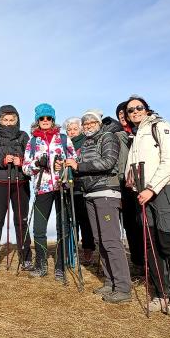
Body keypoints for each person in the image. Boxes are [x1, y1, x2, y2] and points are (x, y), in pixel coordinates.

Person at [124, 95, 170, 315]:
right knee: (151, 244)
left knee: (168, 242)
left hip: (163, 191)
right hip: (142, 194)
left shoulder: (160, 126)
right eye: (130, 110)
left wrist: (152, 188)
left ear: (146, 108)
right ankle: (160, 293)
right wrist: (129, 179)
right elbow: (133, 164)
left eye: (138, 107)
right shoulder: (136, 134)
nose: (134, 112)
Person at [66, 110, 132, 303]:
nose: (88, 126)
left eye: (91, 122)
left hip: (106, 192)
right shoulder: (86, 143)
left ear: (99, 122)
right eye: (85, 124)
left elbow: (108, 162)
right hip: (90, 194)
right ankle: (110, 281)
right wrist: (70, 166)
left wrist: (79, 167)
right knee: (99, 240)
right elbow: (82, 166)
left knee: (111, 240)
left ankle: (122, 288)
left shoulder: (108, 137)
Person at [22, 103, 76, 280]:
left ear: (53, 119)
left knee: (63, 227)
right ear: (37, 120)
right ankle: (41, 264)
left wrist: (64, 163)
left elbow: (74, 158)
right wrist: (37, 165)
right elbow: (25, 168)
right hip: (42, 187)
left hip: (61, 186)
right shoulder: (32, 142)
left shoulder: (62, 138)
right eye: (42, 118)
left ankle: (60, 266)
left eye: (49, 118)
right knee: (39, 228)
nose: (45, 121)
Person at [0, 105, 33, 271]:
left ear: (17, 120)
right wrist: (3, 161)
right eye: (5, 120)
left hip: (21, 182)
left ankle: (25, 258)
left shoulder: (23, 136)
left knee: (21, 221)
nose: (9, 123)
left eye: (12, 120)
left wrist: (22, 161)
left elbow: (32, 157)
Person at [116, 101, 145, 274]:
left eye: (124, 113)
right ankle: (138, 261)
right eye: (119, 115)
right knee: (129, 225)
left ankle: (148, 261)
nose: (122, 117)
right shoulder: (118, 135)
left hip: (142, 185)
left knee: (142, 223)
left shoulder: (141, 133)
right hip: (124, 186)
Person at [63, 116, 95, 266]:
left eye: (75, 128)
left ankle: (88, 249)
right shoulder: (64, 145)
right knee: (70, 220)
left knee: (85, 220)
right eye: (69, 129)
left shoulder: (85, 142)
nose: (72, 131)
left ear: (81, 129)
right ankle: (72, 250)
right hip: (68, 186)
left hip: (82, 187)